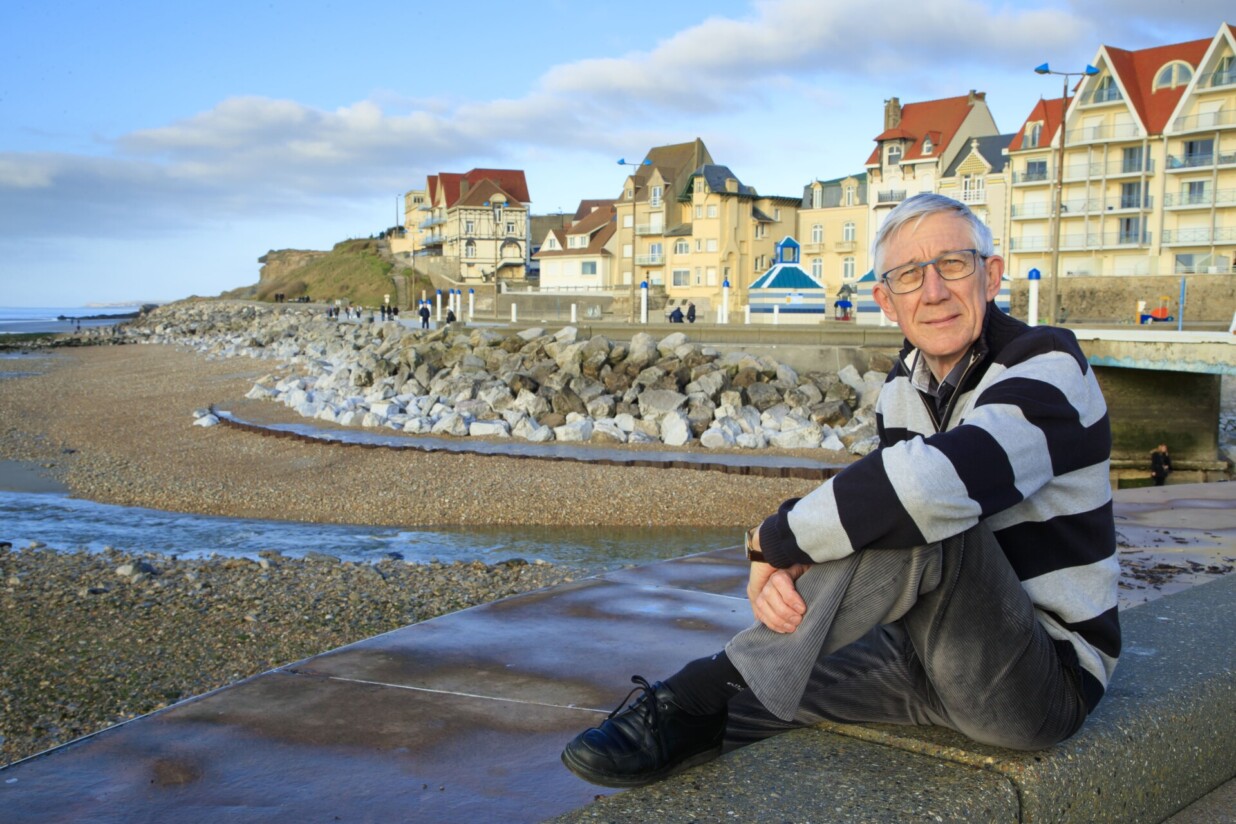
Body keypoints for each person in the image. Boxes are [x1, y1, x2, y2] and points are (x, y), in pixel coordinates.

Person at [561, 193, 1120, 788]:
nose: (933, 291)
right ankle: (692, 716)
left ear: (991, 275)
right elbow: (871, 508)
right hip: (927, 658)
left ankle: (698, 687)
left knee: (929, 511)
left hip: (1038, 683)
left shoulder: (1047, 363)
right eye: (909, 276)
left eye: (953, 264)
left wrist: (774, 540)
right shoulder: (904, 389)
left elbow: (930, 488)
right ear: (886, 301)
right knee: (762, 694)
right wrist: (798, 565)